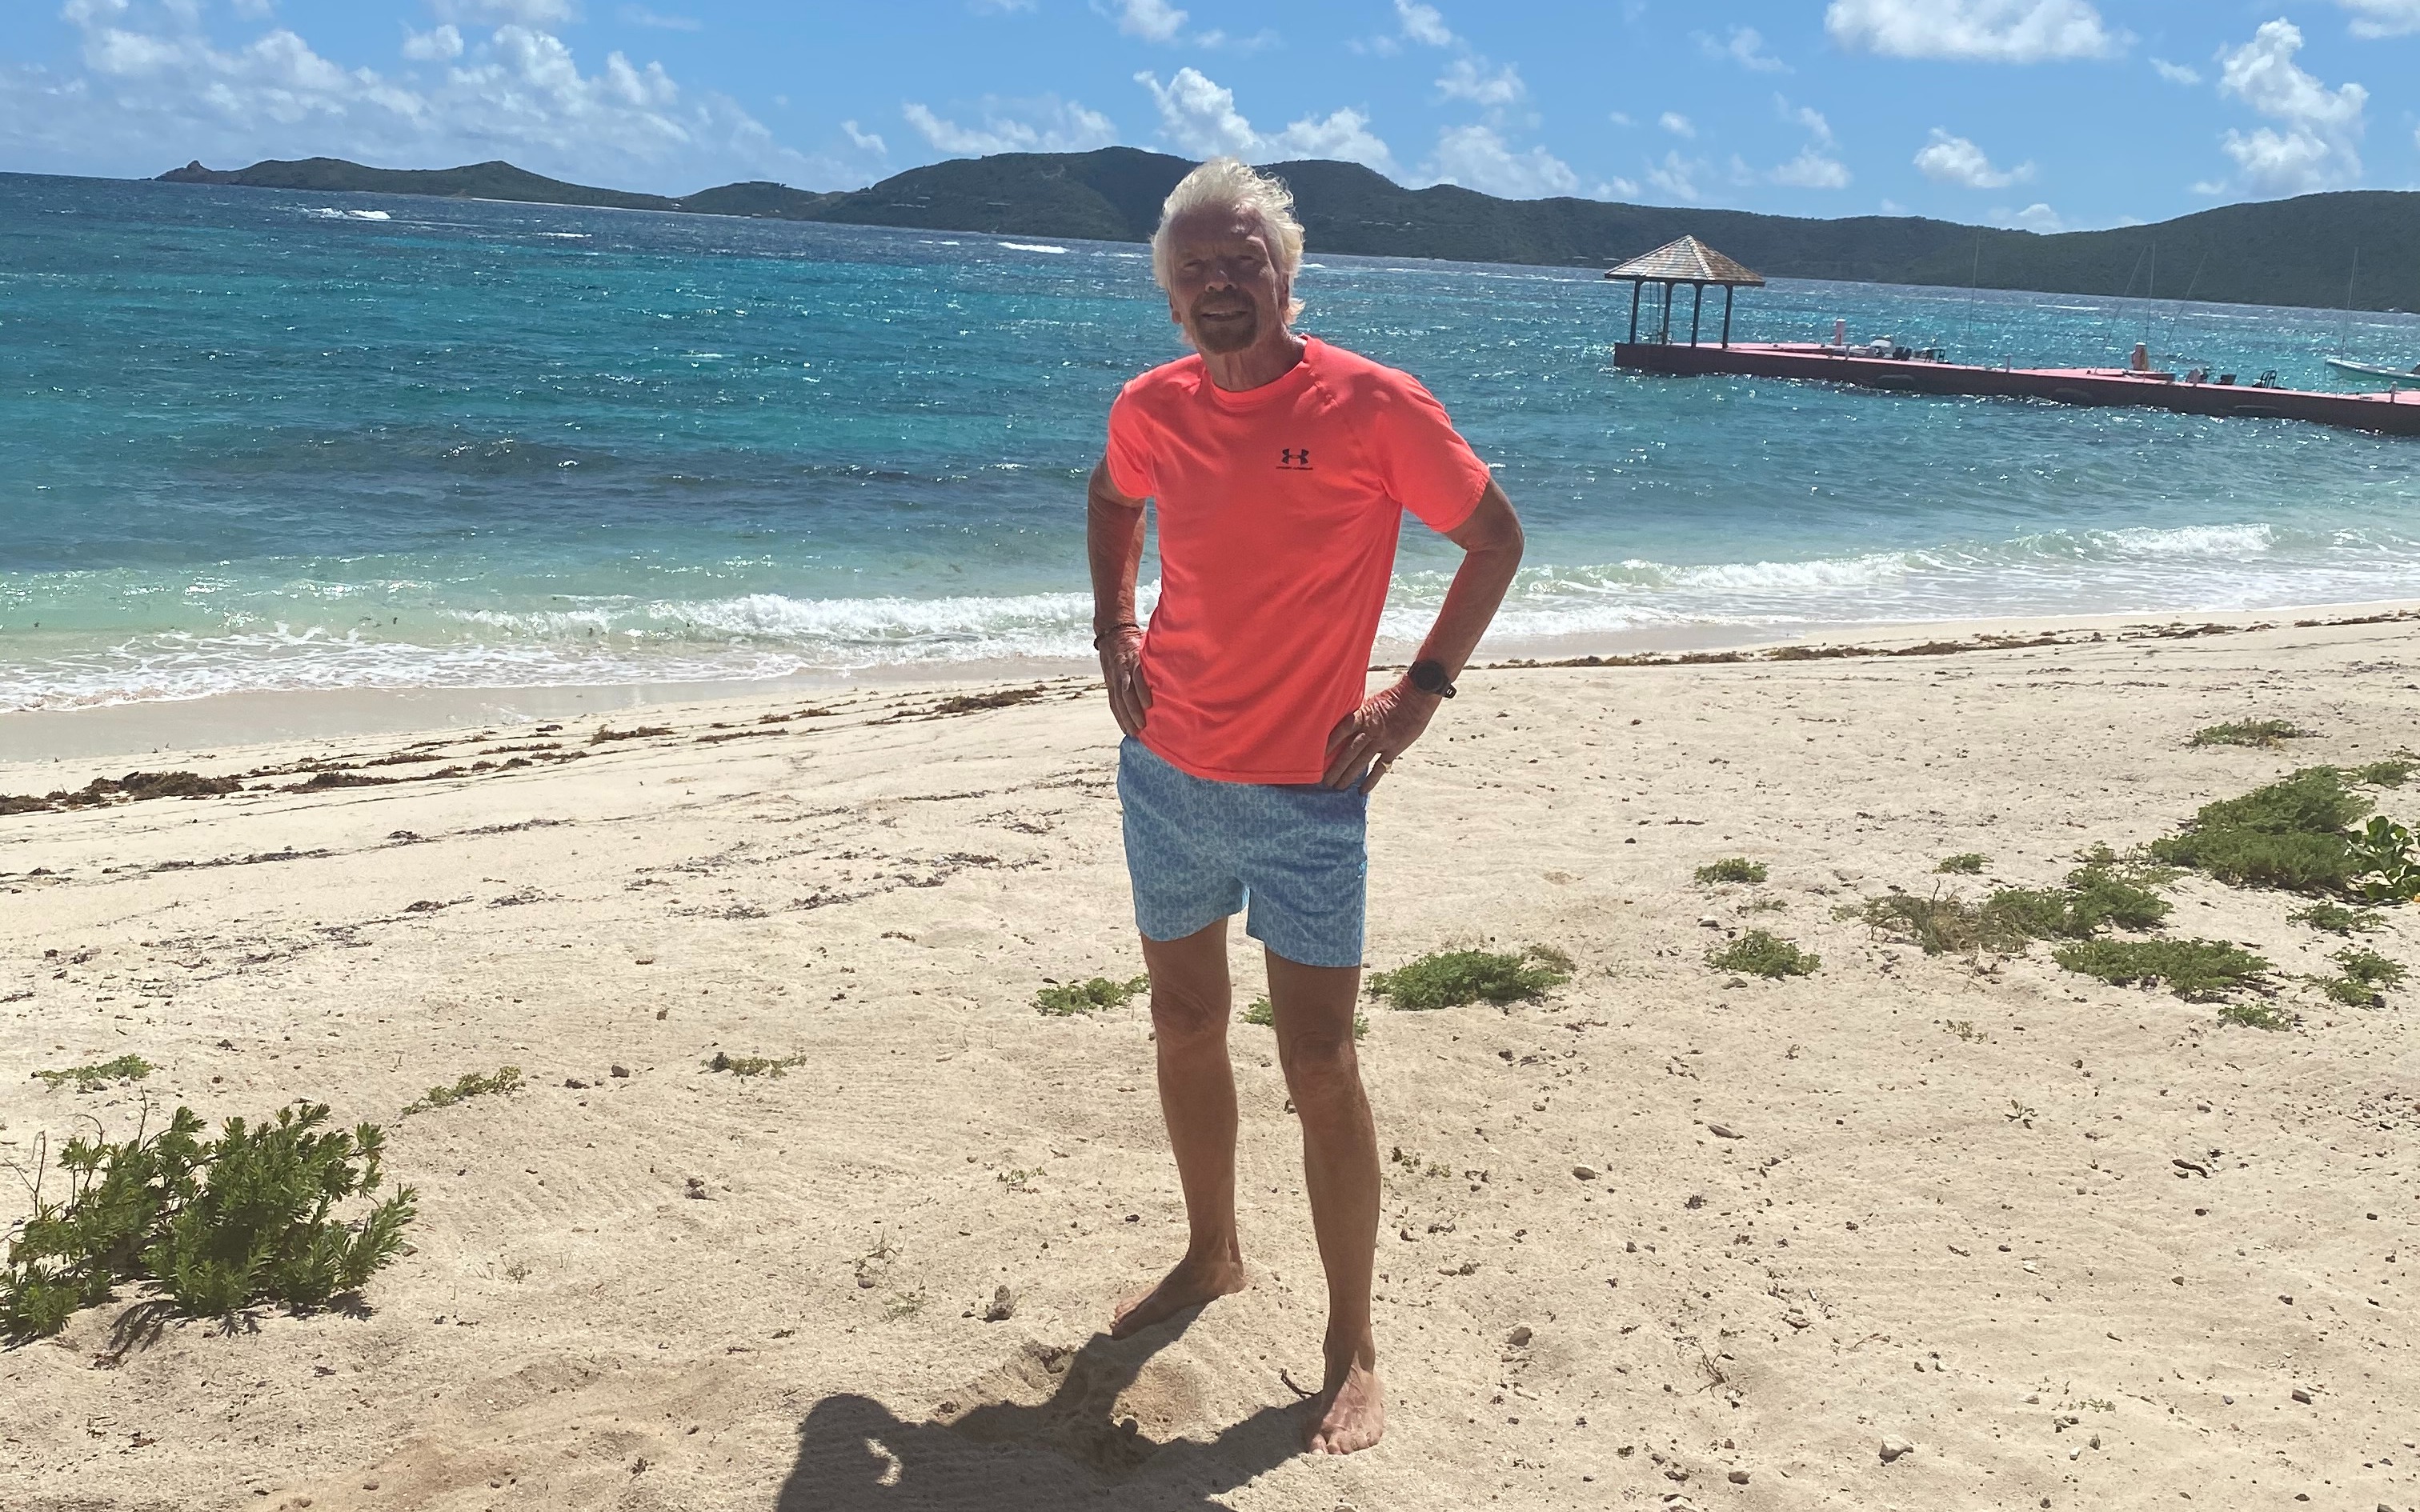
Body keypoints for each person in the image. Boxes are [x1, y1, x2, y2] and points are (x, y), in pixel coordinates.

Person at [1085, 158, 1525, 1456]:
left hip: (1310, 793)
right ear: (1170, 292)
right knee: (1183, 1018)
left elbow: (1494, 537)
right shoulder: (1150, 406)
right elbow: (1112, 499)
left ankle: (1352, 1344)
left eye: (1244, 263)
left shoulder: (1373, 406)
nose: (1222, 285)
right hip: (1167, 771)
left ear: (1285, 276)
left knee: (1321, 1061)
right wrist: (1114, 627)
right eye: (1198, 269)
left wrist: (1416, 697)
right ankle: (1211, 1252)